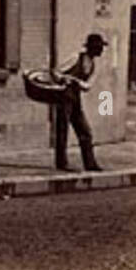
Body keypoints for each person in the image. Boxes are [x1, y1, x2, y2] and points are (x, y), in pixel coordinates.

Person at [52, 33, 107, 172]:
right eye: (99, 47)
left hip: (75, 98)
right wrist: (64, 79)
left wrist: (77, 82)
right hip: (64, 96)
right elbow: (56, 72)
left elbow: (87, 86)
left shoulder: (93, 65)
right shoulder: (75, 57)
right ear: (91, 47)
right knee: (62, 129)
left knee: (85, 131)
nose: (101, 50)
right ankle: (61, 163)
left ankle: (90, 164)